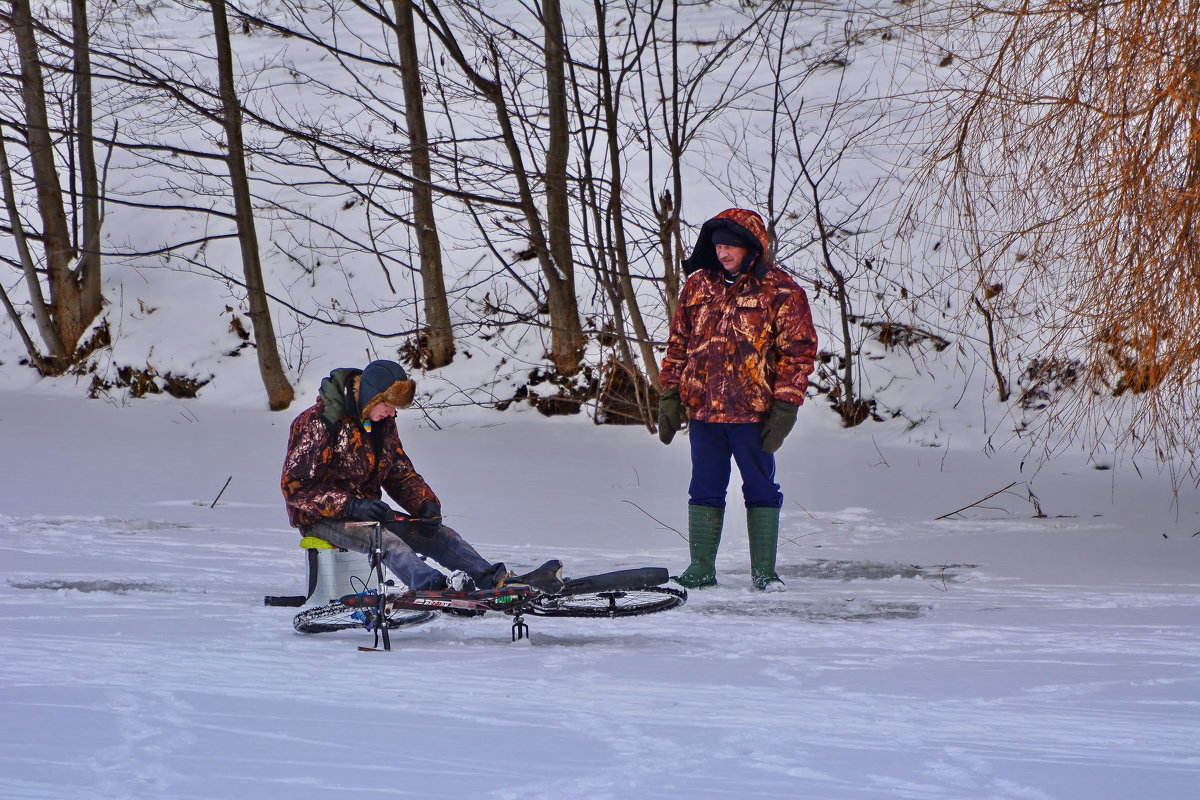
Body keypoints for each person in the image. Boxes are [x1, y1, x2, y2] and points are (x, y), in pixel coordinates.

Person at [657, 208, 818, 592]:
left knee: (761, 489)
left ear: (751, 247)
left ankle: (764, 572)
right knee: (704, 488)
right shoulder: (697, 286)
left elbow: (798, 352)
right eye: (718, 246)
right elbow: (678, 343)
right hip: (704, 412)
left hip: (754, 413)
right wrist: (669, 393)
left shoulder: (781, 290)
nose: (723, 253)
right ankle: (700, 568)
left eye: (731, 246)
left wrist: (786, 406)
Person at [281, 359, 510, 592]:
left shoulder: (382, 423)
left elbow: (399, 473)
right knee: (386, 541)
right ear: (371, 396)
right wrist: (351, 506)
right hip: (320, 519)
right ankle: (429, 585)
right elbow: (296, 487)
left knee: (441, 536)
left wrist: (425, 505)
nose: (392, 412)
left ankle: (492, 580)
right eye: (387, 405)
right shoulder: (317, 422)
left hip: (368, 514)